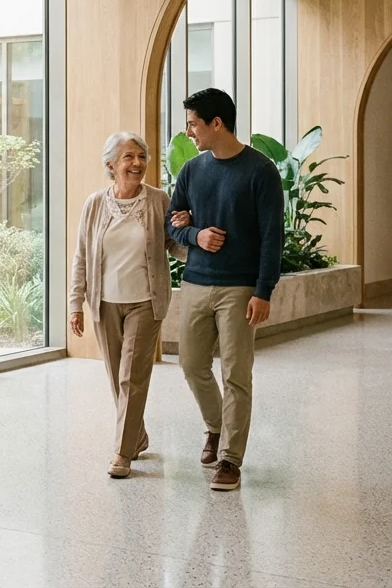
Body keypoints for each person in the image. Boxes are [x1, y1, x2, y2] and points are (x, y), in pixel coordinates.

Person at [166, 88, 284, 492]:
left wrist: (263, 291)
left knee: (236, 374)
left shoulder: (261, 171)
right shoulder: (192, 170)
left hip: (240, 288)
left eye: (193, 125)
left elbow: (272, 238)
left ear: (217, 123)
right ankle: (216, 428)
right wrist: (196, 235)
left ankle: (230, 459)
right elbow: (172, 222)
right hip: (196, 282)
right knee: (191, 365)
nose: (189, 133)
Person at [69, 132, 188, 479]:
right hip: (104, 302)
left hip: (145, 302)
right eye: (128, 157)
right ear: (111, 164)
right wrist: (75, 302)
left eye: (141, 157)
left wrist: (195, 238)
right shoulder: (94, 204)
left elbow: (175, 245)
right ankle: (136, 436)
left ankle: (122, 452)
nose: (137, 163)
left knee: (131, 378)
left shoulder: (158, 200)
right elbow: (81, 255)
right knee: (116, 378)